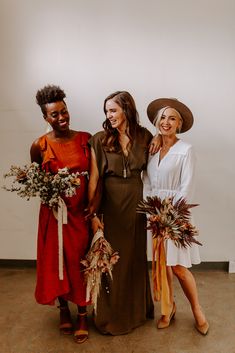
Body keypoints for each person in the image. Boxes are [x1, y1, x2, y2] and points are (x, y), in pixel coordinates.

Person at [87, 91, 155, 335]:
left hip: (136, 206)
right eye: (107, 111)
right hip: (111, 207)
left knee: (134, 260)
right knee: (112, 261)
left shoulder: (145, 136)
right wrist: (93, 215)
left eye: (113, 110)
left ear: (126, 109)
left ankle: (136, 313)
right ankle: (110, 318)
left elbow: (155, 166)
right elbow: (93, 180)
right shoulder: (99, 139)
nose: (109, 115)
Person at [30, 84, 91, 343]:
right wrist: (52, 197)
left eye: (64, 111)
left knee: (80, 263)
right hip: (54, 215)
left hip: (80, 214)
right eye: (54, 114)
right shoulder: (39, 145)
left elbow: (95, 177)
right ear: (45, 118)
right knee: (57, 263)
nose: (61, 117)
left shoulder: (85, 139)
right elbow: (36, 178)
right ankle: (63, 309)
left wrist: (93, 208)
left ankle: (83, 314)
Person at [143, 98, 209, 335]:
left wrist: (170, 215)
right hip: (155, 214)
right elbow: (147, 181)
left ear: (179, 124)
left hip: (175, 214)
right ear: (156, 121)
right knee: (163, 265)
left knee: (179, 267)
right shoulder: (151, 149)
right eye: (163, 117)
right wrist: (152, 212)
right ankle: (168, 308)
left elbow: (186, 187)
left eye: (172, 118)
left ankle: (197, 309)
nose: (166, 122)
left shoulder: (186, 150)